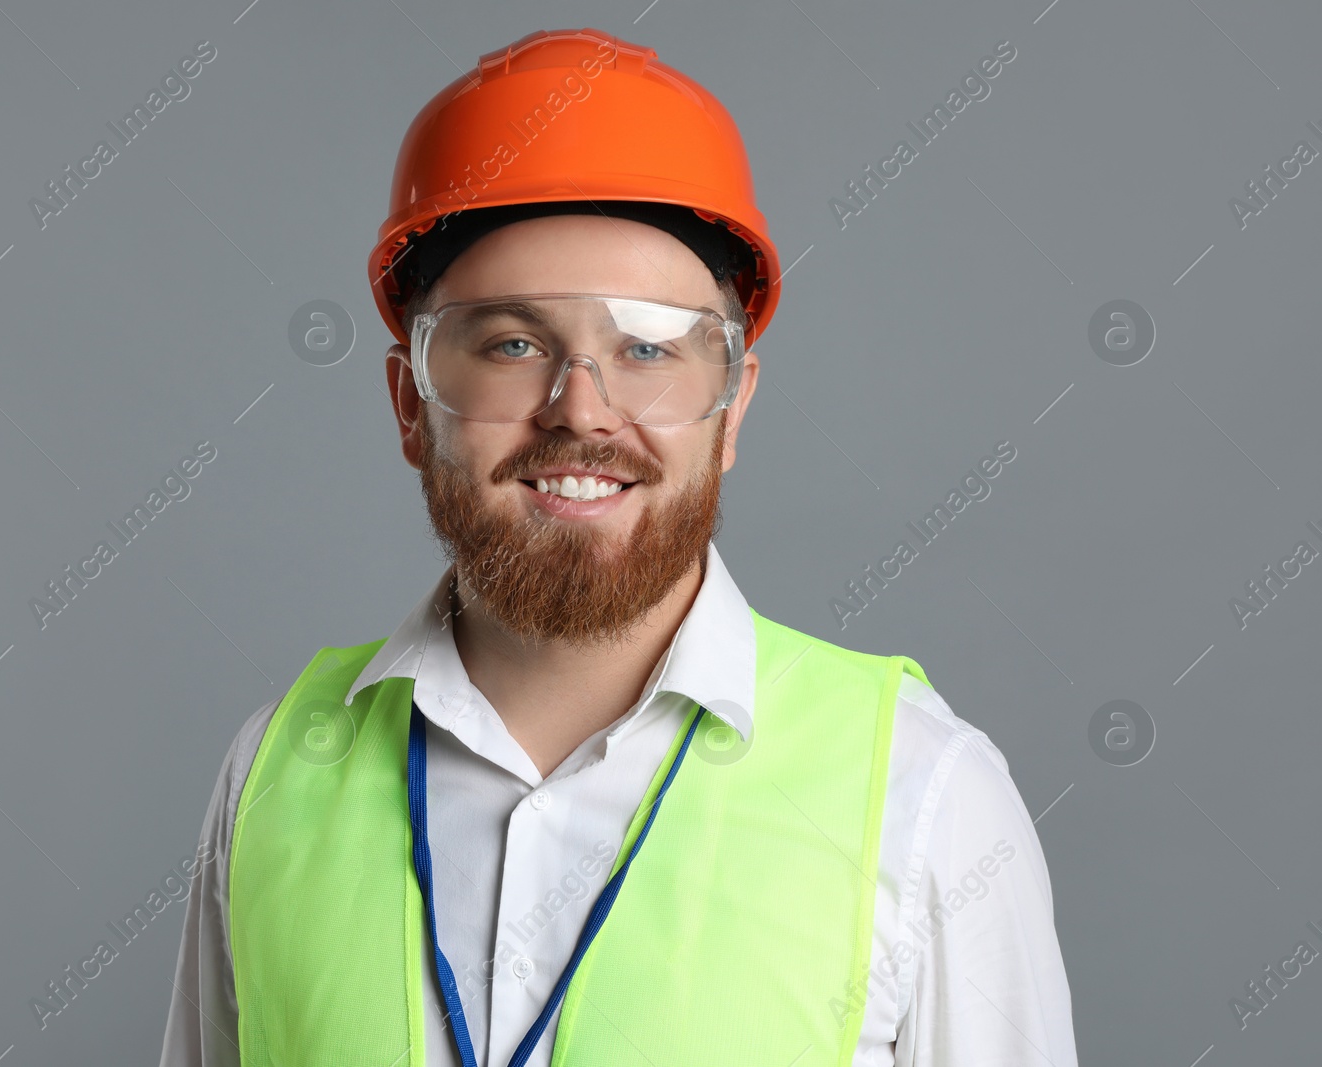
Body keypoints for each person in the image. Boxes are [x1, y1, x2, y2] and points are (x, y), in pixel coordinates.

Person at [160, 26, 1079, 1067]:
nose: (580, 410)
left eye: (647, 348)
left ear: (730, 411)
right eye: (511, 343)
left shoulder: (928, 794)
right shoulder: (273, 769)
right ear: (410, 404)